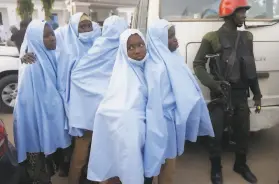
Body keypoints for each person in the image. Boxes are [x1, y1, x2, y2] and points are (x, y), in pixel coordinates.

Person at [193, 0, 262, 184]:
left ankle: (240, 164)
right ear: (230, 14)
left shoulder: (247, 37)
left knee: (243, 133)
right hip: (221, 95)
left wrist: (257, 94)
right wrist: (214, 85)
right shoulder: (211, 37)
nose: (244, 15)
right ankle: (216, 168)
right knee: (215, 135)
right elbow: (198, 64)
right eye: (241, 12)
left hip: (241, 94)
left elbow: (250, 66)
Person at [144, 19, 214, 184]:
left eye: (174, 35)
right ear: (158, 40)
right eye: (169, 36)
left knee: (168, 167)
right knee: (153, 166)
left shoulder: (174, 59)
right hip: (158, 126)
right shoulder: (154, 67)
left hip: (172, 124)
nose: (175, 39)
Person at [68, 15, 127, 184]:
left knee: (82, 151)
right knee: (108, 152)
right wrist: (106, 94)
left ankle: (74, 180)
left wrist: (94, 95)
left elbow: (78, 75)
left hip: (89, 110)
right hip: (111, 110)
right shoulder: (125, 48)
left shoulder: (98, 46)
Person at [86, 29, 148, 184]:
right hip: (128, 132)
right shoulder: (122, 73)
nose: (137, 51)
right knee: (126, 168)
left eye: (140, 45)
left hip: (147, 131)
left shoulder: (150, 67)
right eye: (131, 47)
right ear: (123, 50)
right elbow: (115, 105)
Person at [13, 20, 72, 184]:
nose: (52, 38)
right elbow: (33, 104)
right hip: (36, 126)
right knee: (40, 168)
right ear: (36, 39)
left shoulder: (53, 56)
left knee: (50, 162)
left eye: (52, 34)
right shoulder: (32, 65)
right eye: (45, 36)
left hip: (49, 122)